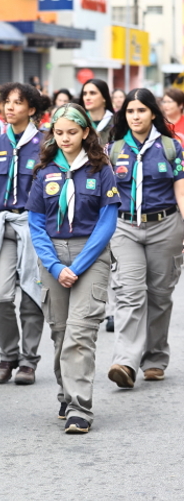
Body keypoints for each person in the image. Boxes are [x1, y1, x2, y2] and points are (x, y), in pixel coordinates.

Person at [27, 103, 119, 434]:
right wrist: (54, 264)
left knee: (81, 331)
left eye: (72, 132)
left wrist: (77, 266)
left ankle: (80, 407)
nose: (65, 138)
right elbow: (36, 223)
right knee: (60, 331)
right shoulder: (44, 172)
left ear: (85, 133)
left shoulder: (100, 168)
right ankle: (66, 393)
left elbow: (107, 222)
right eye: (59, 132)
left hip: (89, 254)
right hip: (52, 253)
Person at [106, 88, 184, 388]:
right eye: (130, 111)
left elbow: (181, 192)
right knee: (129, 292)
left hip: (165, 226)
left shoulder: (171, 148)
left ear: (153, 113)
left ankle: (154, 358)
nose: (135, 116)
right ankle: (125, 361)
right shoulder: (113, 150)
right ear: (124, 115)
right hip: (125, 228)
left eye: (141, 110)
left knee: (160, 296)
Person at [0, 82, 50, 385]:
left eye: (17, 103)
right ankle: (7, 355)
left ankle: (29, 361)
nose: (9, 107)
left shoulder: (47, 144)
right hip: (1, 225)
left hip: (34, 227)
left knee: (31, 297)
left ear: (32, 109)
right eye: (6, 102)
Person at [79, 79, 116, 144]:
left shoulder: (116, 122)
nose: (87, 97)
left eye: (92, 93)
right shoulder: (79, 121)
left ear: (104, 97)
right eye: (84, 94)